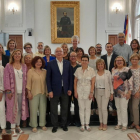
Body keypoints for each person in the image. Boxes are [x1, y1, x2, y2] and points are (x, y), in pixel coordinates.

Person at [47, 47, 73, 133]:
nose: (59, 53)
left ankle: (64, 124)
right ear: (54, 53)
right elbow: (48, 78)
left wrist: (70, 88)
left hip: (65, 89)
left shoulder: (67, 63)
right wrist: (49, 90)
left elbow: (70, 77)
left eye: (60, 51)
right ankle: (55, 125)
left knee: (64, 108)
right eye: (57, 51)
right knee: (53, 109)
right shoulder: (51, 63)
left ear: (63, 53)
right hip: (54, 90)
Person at [4, 49, 29, 137]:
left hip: (21, 92)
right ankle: (12, 128)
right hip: (12, 92)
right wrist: (8, 90)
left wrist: (26, 90)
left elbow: (26, 80)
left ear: (21, 56)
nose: (17, 55)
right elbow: (6, 79)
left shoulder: (24, 66)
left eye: (19, 54)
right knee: (12, 109)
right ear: (13, 56)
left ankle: (18, 126)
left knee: (19, 110)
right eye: (16, 54)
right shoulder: (8, 66)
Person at [74, 55, 95, 132]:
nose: (84, 61)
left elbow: (93, 83)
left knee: (88, 108)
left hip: (88, 92)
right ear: (81, 61)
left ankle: (87, 124)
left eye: (86, 60)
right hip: (79, 92)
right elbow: (75, 82)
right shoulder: (78, 70)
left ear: (88, 61)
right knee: (81, 108)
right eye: (83, 60)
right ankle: (82, 124)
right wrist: (75, 92)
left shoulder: (92, 70)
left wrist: (91, 93)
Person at [112, 56, 133, 131]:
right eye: (117, 60)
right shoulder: (113, 69)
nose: (119, 62)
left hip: (125, 93)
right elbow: (112, 81)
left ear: (123, 61)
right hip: (116, 93)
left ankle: (124, 125)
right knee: (118, 108)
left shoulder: (127, 70)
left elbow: (130, 82)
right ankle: (119, 123)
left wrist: (129, 93)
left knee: (124, 109)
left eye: (120, 60)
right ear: (115, 62)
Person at [26, 56, 47, 133]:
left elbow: (47, 83)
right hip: (33, 93)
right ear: (34, 63)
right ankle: (34, 125)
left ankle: (42, 124)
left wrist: (47, 92)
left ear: (42, 63)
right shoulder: (30, 71)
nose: (39, 63)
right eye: (37, 62)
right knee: (33, 110)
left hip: (43, 93)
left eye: (40, 62)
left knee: (43, 109)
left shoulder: (45, 71)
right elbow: (28, 83)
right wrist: (29, 92)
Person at [94, 59, 113, 131]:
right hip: (98, 91)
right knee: (100, 108)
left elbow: (110, 84)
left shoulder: (108, 72)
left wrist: (112, 93)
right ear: (97, 66)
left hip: (106, 92)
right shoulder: (95, 72)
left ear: (104, 65)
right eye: (99, 64)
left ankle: (105, 124)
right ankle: (101, 123)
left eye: (101, 64)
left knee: (104, 109)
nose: (100, 66)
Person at [128, 53, 140, 133]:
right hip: (129, 91)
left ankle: (137, 124)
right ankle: (132, 122)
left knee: (135, 107)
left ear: (138, 60)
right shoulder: (128, 69)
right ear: (130, 60)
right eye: (133, 59)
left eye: (136, 59)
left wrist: (138, 91)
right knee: (130, 108)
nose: (134, 60)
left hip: (137, 91)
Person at [69, 52, 81, 126]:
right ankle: (69, 120)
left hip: (78, 88)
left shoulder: (79, 67)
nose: (73, 57)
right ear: (69, 57)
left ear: (77, 57)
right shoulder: (66, 66)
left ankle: (77, 120)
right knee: (67, 106)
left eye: (74, 56)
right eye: (71, 56)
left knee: (77, 105)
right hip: (68, 88)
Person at [0, 66, 6, 135]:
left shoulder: (1, 68)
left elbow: (3, 80)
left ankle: (3, 128)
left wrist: (1, 91)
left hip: (0, 91)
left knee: (1, 109)